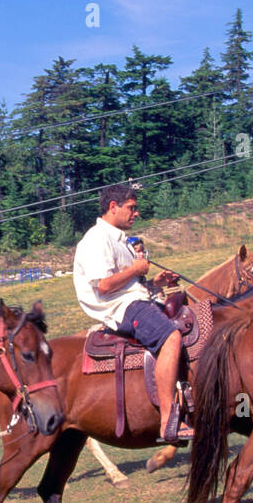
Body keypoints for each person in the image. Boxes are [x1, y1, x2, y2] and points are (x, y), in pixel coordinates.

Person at [73, 184, 187, 443]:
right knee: (171, 337)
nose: (136, 213)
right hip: (120, 309)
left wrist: (154, 283)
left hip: (134, 300)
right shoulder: (95, 240)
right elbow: (103, 285)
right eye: (131, 208)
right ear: (113, 207)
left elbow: (127, 285)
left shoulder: (120, 241)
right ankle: (168, 420)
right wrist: (136, 269)